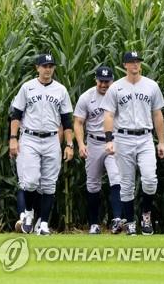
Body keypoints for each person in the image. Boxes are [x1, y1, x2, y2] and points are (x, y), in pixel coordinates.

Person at [101, 51, 164, 236]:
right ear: (124, 65)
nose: (135, 64)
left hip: (145, 137)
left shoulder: (151, 86)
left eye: (138, 61)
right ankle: (130, 222)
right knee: (127, 184)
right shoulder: (116, 88)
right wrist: (109, 140)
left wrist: (161, 142)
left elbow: (157, 114)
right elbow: (109, 115)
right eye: (131, 61)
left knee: (150, 180)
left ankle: (146, 215)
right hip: (123, 138)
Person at [9, 54, 74, 235]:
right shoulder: (27, 87)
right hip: (29, 138)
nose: (48, 69)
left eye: (51, 66)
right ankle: (29, 212)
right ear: (37, 68)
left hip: (52, 138)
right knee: (29, 182)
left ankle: (43, 224)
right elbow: (16, 115)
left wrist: (69, 144)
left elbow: (67, 120)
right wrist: (13, 138)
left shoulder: (60, 90)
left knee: (48, 185)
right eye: (44, 66)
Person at [74, 66, 123, 234]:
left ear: (112, 80)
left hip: (114, 142)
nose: (104, 85)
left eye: (107, 81)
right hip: (94, 142)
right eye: (101, 81)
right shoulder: (86, 97)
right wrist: (81, 144)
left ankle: (117, 220)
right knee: (93, 184)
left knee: (116, 178)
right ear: (96, 80)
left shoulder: (118, 95)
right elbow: (78, 122)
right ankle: (94, 224)